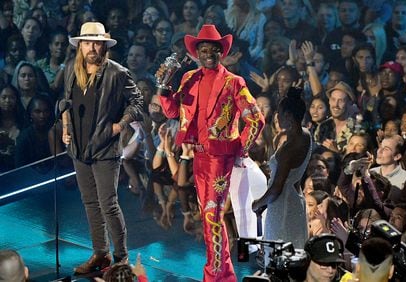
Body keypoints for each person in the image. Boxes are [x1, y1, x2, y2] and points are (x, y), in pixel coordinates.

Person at [157, 24, 264, 281]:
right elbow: (172, 112)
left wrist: (239, 150)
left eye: (213, 50)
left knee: (212, 215)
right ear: (196, 53)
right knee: (207, 217)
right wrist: (163, 88)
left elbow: (256, 120)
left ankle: (216, 274)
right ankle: (221, 271)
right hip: (199, 158)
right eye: (203, 50)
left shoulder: (233, 82)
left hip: (220, 159)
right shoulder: (189, 78)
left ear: (221, 53)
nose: (208, 54)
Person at [60, 22, 143, 274]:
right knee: (90, 203)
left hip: (105, 148)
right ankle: (100, 253)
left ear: (104, 45)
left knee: (108, 203)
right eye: (87, 42)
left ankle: (121, 259)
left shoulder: (117, 73)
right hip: (79, 148)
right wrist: (65, 129)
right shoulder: (71, 71)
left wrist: (119, 127)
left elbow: (137, 102)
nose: (92, 47)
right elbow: (66, 103)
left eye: (96, 42)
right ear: (80, 46)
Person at [252, 86, 311, 254]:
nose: (276, 116)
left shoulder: (289, 149)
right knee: (295, 253)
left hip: (282, 206)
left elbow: (276, 189)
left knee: (279, 255)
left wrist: (258, 203)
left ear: (288, 116)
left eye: (279, 112)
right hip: (295, 201)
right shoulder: (306, 135)